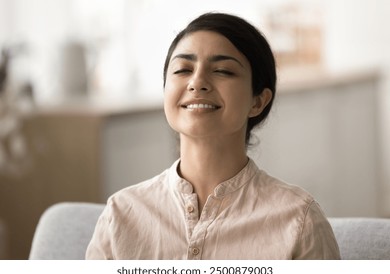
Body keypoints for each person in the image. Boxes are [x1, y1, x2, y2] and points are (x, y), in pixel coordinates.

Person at [86, 12, 340, 260]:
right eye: (183, 69)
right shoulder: (120, 215)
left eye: (222, 71)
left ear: (258, 101)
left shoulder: (299, 220)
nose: (197, 82)